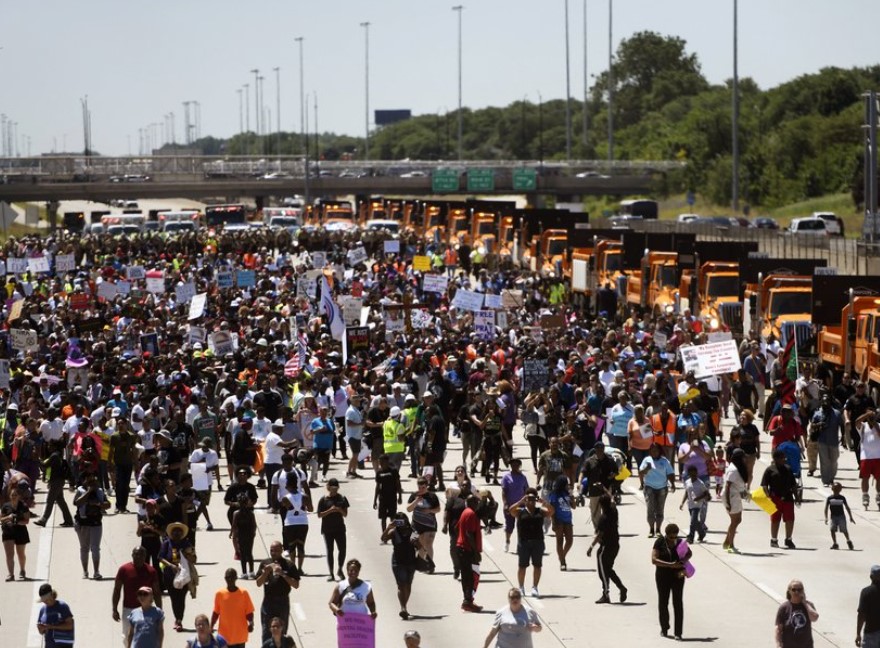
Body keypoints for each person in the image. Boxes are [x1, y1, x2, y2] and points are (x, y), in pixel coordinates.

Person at [113, 546, 163, 648]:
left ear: (145, 556)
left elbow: (157, 592)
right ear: (132, 555)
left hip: (147, 610)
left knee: (146, 636)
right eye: (136, 554)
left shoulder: (151, 571)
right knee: (127, 636)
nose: (138, 556)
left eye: (141, 554)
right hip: (129, 609)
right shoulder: (124, 569)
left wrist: (159, 610)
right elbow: (117, 589)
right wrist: (114, 609)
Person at [508, 486, 551, 597]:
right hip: (524, 542)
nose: (531, 501)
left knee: (537, 566)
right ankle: (521, 587)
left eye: (533, 499)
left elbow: (552, 511)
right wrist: (520, 501)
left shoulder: (540, 511)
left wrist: (544, 502)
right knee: (522, 566)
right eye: (529, 499)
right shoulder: (520, 512)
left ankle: (535, 587)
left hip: (538, 542)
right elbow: (510, 510)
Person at [255, 541, 301, 642]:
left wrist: (283, 574)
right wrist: (265, 573)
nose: (273, 553)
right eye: (271, 550)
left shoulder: (289, 565)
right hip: (268, 602)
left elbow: (296, 585)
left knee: (281, 631)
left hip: (282, 602)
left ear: (281, 550)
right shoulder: (265, 563)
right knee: (266, 632)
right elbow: (258, 583)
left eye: (276, 550)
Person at [652, 523, 691, 640]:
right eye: (671, 537)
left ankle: (678, 632)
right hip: (662, 576)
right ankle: (664, 628)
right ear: (666, 535)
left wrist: (684, 560)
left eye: (675, 536)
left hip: (678, 576)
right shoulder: (659, 542)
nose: (673, 539)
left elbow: (689, 553)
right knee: (663, 602)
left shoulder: (680, 543)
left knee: (678, 602)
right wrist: (670, 565)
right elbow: (654, 560)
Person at [587, 493, 627, 604]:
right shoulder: (614, 512)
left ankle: (606, 594)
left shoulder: (603, 518)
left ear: (601, 505)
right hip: (615, 546)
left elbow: (599, 534)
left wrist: (591, 547)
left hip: (605, 548)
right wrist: (603, 490)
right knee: (608, 570)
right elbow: (613, 500)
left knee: (603, 572)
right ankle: (621, 587)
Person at [73, 470, 110, 579]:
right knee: (84, 548)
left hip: (96, 523)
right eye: (89, 478)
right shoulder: (80, 491)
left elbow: (108, 504)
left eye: (93, 478)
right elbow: (76, 502)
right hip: (83, 524)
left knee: (95, 548)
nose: (92, 481)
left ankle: (96, 571)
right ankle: (85, 571)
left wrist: (98, 504)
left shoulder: (99, 491)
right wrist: (88, 492)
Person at [159, 521, 195, 632]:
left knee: (181, 598)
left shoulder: (187, 544)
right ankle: (177, 618)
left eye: (179, 531)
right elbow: (160, 557)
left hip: (184, 576)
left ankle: (179, 620)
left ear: (182, 533)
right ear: (171, 533)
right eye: (174, 531)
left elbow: (194, 559)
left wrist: (189, 555)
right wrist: (170, 565)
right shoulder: (166, 543)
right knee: (174, 598)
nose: (176, 533)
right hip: (170, 575)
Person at [381, 512, 418, 620]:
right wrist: (388, 528)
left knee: (408, 584)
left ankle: (404, 606)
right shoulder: (394, 532)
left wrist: (415, 541)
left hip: (411, 561)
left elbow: (419, 546)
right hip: (398, 562)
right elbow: (383, 538)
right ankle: (403, 607)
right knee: (401, 585)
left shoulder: (412, 531)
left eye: (402, 521)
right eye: (398, 521)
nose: (401, 523)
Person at [762, 448, 800, 549]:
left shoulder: (788, 469)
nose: (784, 459)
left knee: (790, 519)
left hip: (788, 497)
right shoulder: (769, 470)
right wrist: (768, 496)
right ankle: (774, 539)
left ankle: (788, 539)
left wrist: (797, 497)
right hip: (775, 498)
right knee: (775, 520)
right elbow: (764, 485)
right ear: (776, 459)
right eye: (782, 458)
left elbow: (793, 485)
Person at [639, 443, 676, 538]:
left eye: (656, 450)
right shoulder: (646, 460)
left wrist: (673, 484)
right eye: (652, 450)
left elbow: (670, 473)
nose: (654, 452)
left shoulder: (665, 461)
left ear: (660, 451)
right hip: (649, 487)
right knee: (650, 509)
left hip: (662, 488)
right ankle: (651, 529)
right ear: (650, 451)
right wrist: (646, 470)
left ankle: (658, 529)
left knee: (660, 509)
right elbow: (641, 472)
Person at [212, 568, 255, 648]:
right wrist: (211, 626)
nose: (230, 579)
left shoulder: (243, 593)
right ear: (225, 578)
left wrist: (251, 623)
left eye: (232, 577)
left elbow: (249, 612)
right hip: (225, 635)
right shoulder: (220, 594)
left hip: (240, 635)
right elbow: (216, 612)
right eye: (228, 577)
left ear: (236, 578)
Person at [317, 478, 350, 581]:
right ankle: (331, 573)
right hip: (327, 529)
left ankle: (340, 569)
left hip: (340, 528)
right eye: (332, 488)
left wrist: (339, 510)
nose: (334, 490)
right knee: (330, 551)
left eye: (336, 488)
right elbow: (319, 515)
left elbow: (345, 514)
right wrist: (330, 511)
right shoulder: (323, 500)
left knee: (342, 549)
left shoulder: (342, 498)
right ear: (328, 487)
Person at [280, 472, 312, 574]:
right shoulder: (305, 496)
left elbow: (285, 507)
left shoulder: (285, 498)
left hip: (290, 523)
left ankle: (293, 568)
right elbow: (311, 509)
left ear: (289, 486)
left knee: (291, 546)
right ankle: (300, 568)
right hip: (303, 523)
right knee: (301, 546)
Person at [457, 494, 484, 612]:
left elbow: (457, 528)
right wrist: (475, 551)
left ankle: (468, 600)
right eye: (476, 502)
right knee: (471, 577)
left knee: (467, 576)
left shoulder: (465, 512)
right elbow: (468, 534)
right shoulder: (471, 513)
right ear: (472, 502)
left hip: (462, 548)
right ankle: (467, 601)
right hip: (467, 549)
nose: (478, 504)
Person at [407, 477, 440, 570]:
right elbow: (408, 509)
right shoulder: (414, 495)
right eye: (419, 487)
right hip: (415, 526)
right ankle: (421, 564)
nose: (421, 489)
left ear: (427, 486)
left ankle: (430, 566)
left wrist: (429, 510)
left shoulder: (432, 496)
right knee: (416, 545)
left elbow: (438, 509)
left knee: (428, 544)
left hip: (430, 525)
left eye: (423, 487)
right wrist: (416, 501)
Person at [1, 476, 30, 581]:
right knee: (9, 554)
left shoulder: (23, 506)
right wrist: (7, 518)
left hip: (20, 531)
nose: (13, 496)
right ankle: (11, 574)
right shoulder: (5, 506)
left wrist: (17, 521)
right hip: (8, 532)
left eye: (15, 495)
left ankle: (22, 570)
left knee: (20, 553)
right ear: (9, 496)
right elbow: (1, 519)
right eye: (12, 495)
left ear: (19, 496)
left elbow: (27, 520)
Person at [775, 580, 818, 648]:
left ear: (803, 591)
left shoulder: (808, 605)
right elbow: (778, 629)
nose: (796, 592)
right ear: (789, 591)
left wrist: (805, 603)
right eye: (794, 590)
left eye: (799, 590)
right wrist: (778, 644)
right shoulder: (784, 608)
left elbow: (814, 618)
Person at [500, 458, 528, 554]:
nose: (514, 466)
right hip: (510, 505)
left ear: (519, 466)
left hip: (521, 506)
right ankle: (507, 541)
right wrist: (505, 504)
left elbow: (526, 491)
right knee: (510, 526)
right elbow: (504, 492)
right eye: (512, 464)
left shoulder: (523, 478)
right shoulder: (506, 477)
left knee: (521, 526)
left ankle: (519, 545)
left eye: (516, 464)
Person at [722, 449, 749, 553]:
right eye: (743, 457)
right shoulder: (733, 469)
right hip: (731, 497)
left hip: (736, 496)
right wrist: (728, 503)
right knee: (735, 521)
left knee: (737, 520)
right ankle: (730, 544)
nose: (745, 459)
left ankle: (727, 541)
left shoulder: (738, 468)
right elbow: (728, 486)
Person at [546, 475, 574, 572]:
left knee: (570, 541)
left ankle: (562, 556)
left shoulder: (567, 493)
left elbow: (574, 506)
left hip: (568, 519)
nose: (568, 485)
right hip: (558, 520)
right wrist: (553, 522)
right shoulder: (554, 494)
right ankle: (563, 562)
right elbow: (552, 508)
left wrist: (571, 495)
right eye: (567, 483)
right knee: (560, 541)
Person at [37, 583, 75, 648]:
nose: (46, 602)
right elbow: (42, 632)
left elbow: (70, 626)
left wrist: (50, 626)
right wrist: (41, 629)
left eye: (47, 599)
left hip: (64, 645)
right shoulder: (42, 610)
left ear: (52, 595)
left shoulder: (62, 606)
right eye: (43, 600)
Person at [679, 465, 710, 544]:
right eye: (692, 474)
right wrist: (682, 503)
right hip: (690, 504)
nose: (694, 476)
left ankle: (690, 537)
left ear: (697, 473)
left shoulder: (700, 483)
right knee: (695, 521)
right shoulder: (687, 482)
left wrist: (699, 498)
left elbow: (706, 494)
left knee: (692, 521)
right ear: (689, 474)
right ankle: (702, 533)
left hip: (697, 505)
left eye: (695, 474)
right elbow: (686, 492)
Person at [230, 492, 257, 579]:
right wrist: (253, 533)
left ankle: (244, 573)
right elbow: (254, 524)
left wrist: (231, 533)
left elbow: (234, 525)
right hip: (249, 534)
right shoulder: (251, 513)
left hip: (241, 534)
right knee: (249, 552)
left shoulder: (236, 513)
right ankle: (252, 572)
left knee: (242, 553)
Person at [374, 454, 403, 533]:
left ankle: (394, 533)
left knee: (393, 517)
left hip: (392, 497)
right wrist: (375, 501)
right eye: (380, 462)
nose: (381, 464)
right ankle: (384, 533)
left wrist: (400, 496)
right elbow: (377, 486)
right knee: (383, 518)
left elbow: (398, 484)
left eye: (382, 462)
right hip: (382, 498)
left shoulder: (393, 471)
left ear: (387, 462)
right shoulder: (379, 472)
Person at [823, 481, 855, 550]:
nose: (836, 491)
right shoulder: (830, 498)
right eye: (835, 489)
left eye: (838, 489)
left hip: (841, 517)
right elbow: (826, 508)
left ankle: (848, 541)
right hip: (833, 517)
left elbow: (847, 507)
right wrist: (826, 518)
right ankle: (835, 543)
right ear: (832, 489)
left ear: (840, 490)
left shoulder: (842, 498)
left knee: (844, 530)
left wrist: (851, 517)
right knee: (832, 530)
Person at [857, 565, 880, 648]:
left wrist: (858, 634)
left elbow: (861, 615)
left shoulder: (866, 592)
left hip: (871, 633)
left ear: (871, 576)